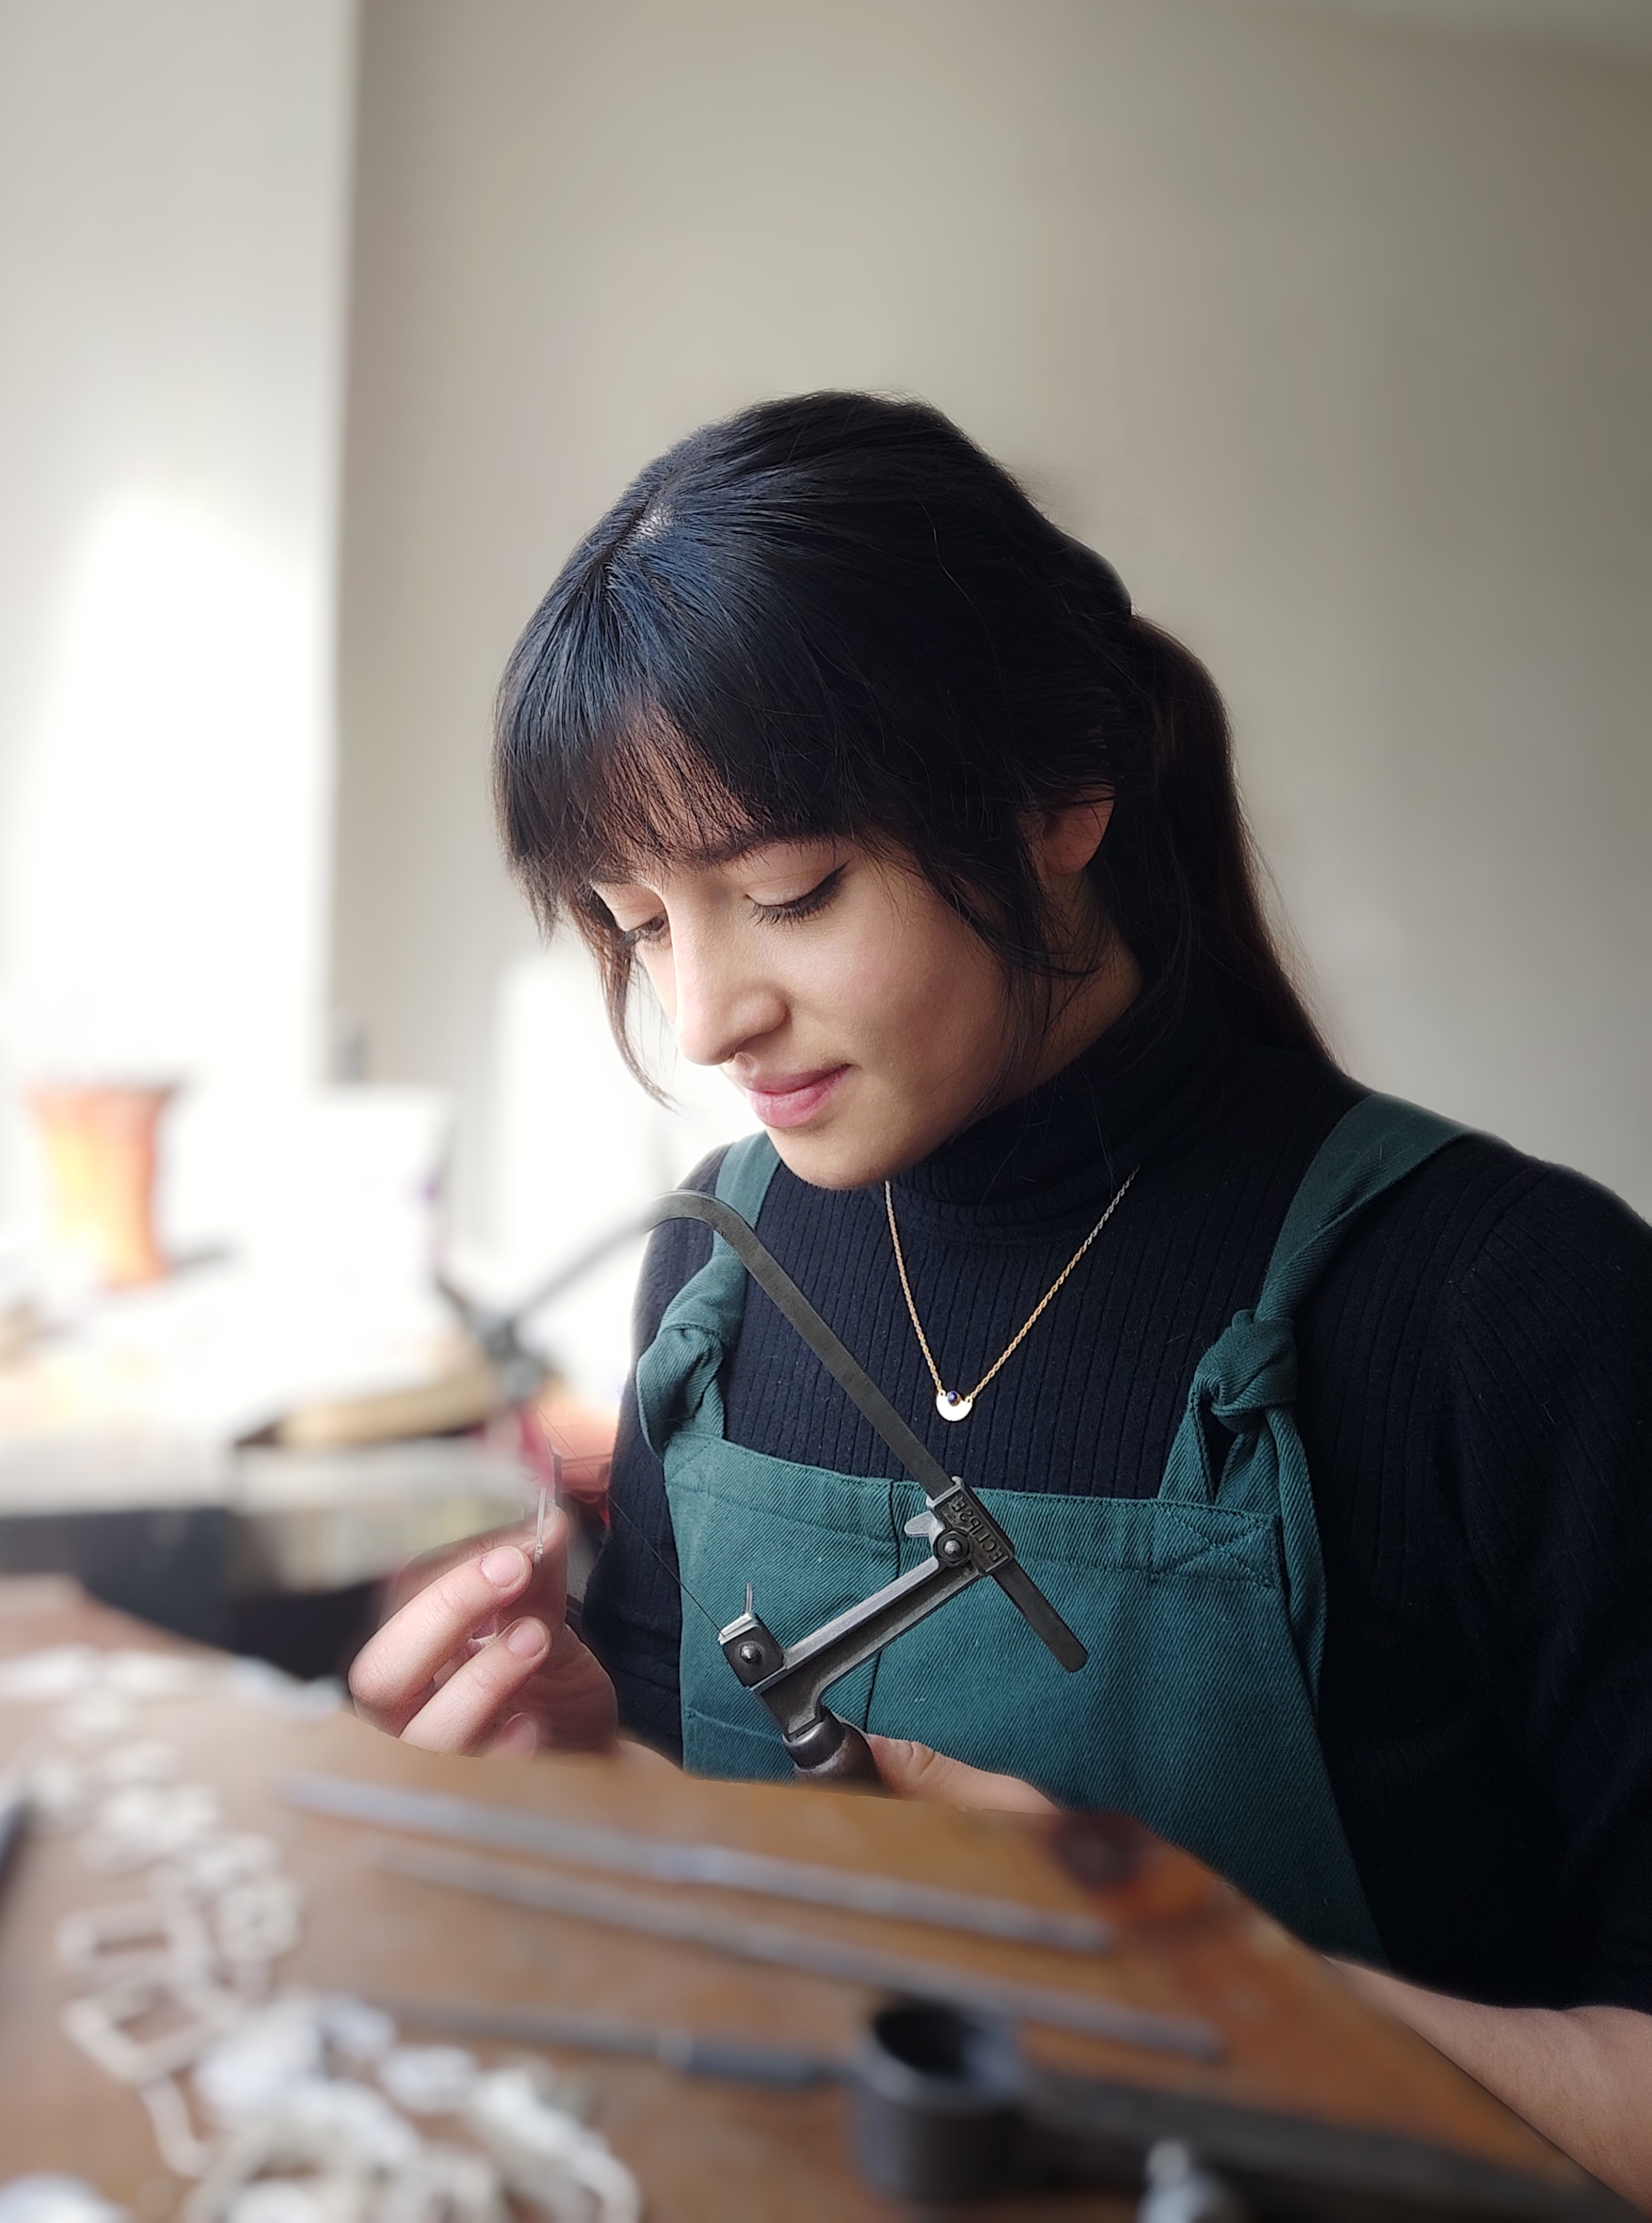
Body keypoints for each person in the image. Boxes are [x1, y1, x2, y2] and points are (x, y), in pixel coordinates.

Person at [350, 393, 1652, 2204]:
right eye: (641, 921)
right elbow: (706, 1872)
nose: (707, 1012)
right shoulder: (720, 1275)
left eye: (788, 891)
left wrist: (1189, 1972)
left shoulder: (1507, 1315)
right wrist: (591, 1777)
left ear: (1060, 798)